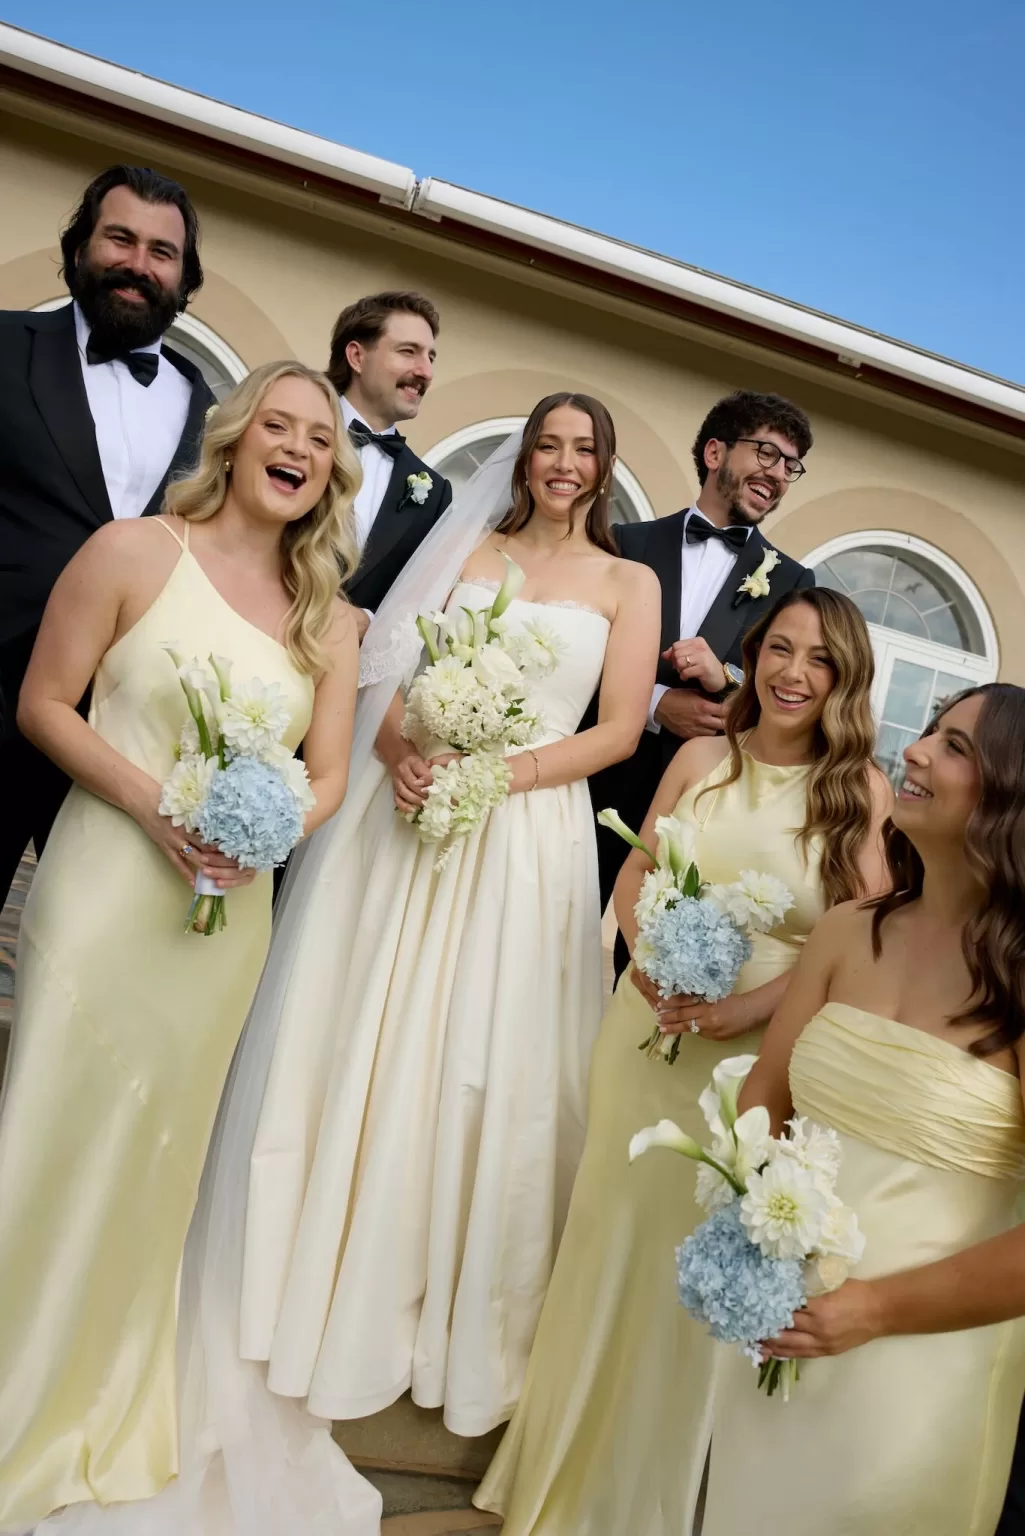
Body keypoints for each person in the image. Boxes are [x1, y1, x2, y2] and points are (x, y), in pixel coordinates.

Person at [238, 392, 660, 1440]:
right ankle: (322, 1261)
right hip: (414, 814)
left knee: (485, 1053)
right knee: (379, 1029)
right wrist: (403, 757)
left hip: (528, 834)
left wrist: (500, 777)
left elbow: (617, 731)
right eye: (547, 444)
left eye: (582, 449)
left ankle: (446, 1308)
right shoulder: (468, 550)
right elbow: (385, 680)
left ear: (603, 467)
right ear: (523, 458)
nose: (561, 463)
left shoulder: (628, 582)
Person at [0, 362, 372, 1531]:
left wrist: (265, 831)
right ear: (236, 436)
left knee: (155, 1162)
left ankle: (100, 1392)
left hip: (223, 921)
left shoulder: (329, 620)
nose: (297, 448)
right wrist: (160, 805)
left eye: (319, 438)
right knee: (45, 1126)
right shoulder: (131, 551)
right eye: (279, 425)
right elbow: (44, 704)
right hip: (105, 891)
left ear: (332, 471)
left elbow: (326, 777)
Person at [477, 587, 892, 1535]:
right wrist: (650, 962)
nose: (793, 674)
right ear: (754, 656)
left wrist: (740, 1010)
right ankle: (554, 1476)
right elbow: (636, 872)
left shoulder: (856, 793)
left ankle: (638, 1505)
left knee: (691, 1269)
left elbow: (858, 947)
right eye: (779, 649)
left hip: (748, 1068)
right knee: (607, 1243)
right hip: (644, 1033)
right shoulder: (703, 758)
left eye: (819, 659)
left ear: (845, 680)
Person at [701, 683, 1025, 1536]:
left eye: (954, 746)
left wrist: (874, 1310)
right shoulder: (847, 930)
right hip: (783, 1325)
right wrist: (750, 1243)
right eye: (930, 730)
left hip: (921, 1368)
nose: (913, 750)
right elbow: (762, 1102)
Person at [0, 163, 216, 905]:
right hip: (2, 688)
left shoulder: (214, 415)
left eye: (162, 252)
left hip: (123, 731)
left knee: (86, 937)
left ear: (184, 278)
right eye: (120, 239)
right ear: (79, 248)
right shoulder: (6, 344)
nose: (138, 264)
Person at [591, 390, 815, 973]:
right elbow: (579, 656)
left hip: (701, 804)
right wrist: (655, 703)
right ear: (715, 453)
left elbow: (790, 692)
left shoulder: (793, 581)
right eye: (766, 453)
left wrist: (730, 677)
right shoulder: (625, 542)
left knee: (653, 964)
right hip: (595, 781)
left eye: (791, 466)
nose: (779, 474)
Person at [327, 290, 453, 630]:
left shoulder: (435, 493)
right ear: (356, 356)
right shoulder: (292, 436)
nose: (425, 371)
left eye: (430, 357)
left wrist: (366, 622)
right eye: (408, 352)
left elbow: (419, 604)